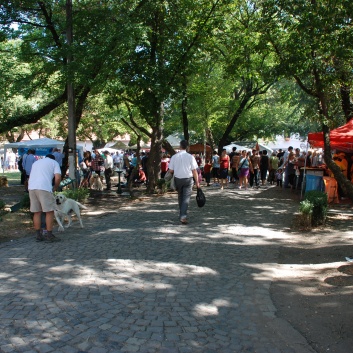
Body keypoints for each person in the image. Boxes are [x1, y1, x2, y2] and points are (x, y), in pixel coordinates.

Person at [28, 154, 61, 242]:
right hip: (44, 187)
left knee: (37, 212)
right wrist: (55, 188)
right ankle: (49, 235)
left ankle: (38, 235)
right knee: (49, 211)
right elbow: (57, 178)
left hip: (32, 187)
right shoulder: (54, 163)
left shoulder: (36, 162)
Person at [168, 140, 200, 224]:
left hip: (178, 179)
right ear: (187, 147)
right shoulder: (190, 157)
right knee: (186, 198)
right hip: (188, 179)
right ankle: (183, 216)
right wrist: (197, 182)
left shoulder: (174, 157)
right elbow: (194, 171)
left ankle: (182, 214)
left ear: (180, 146)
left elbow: (171, 170)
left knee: (180, 196)